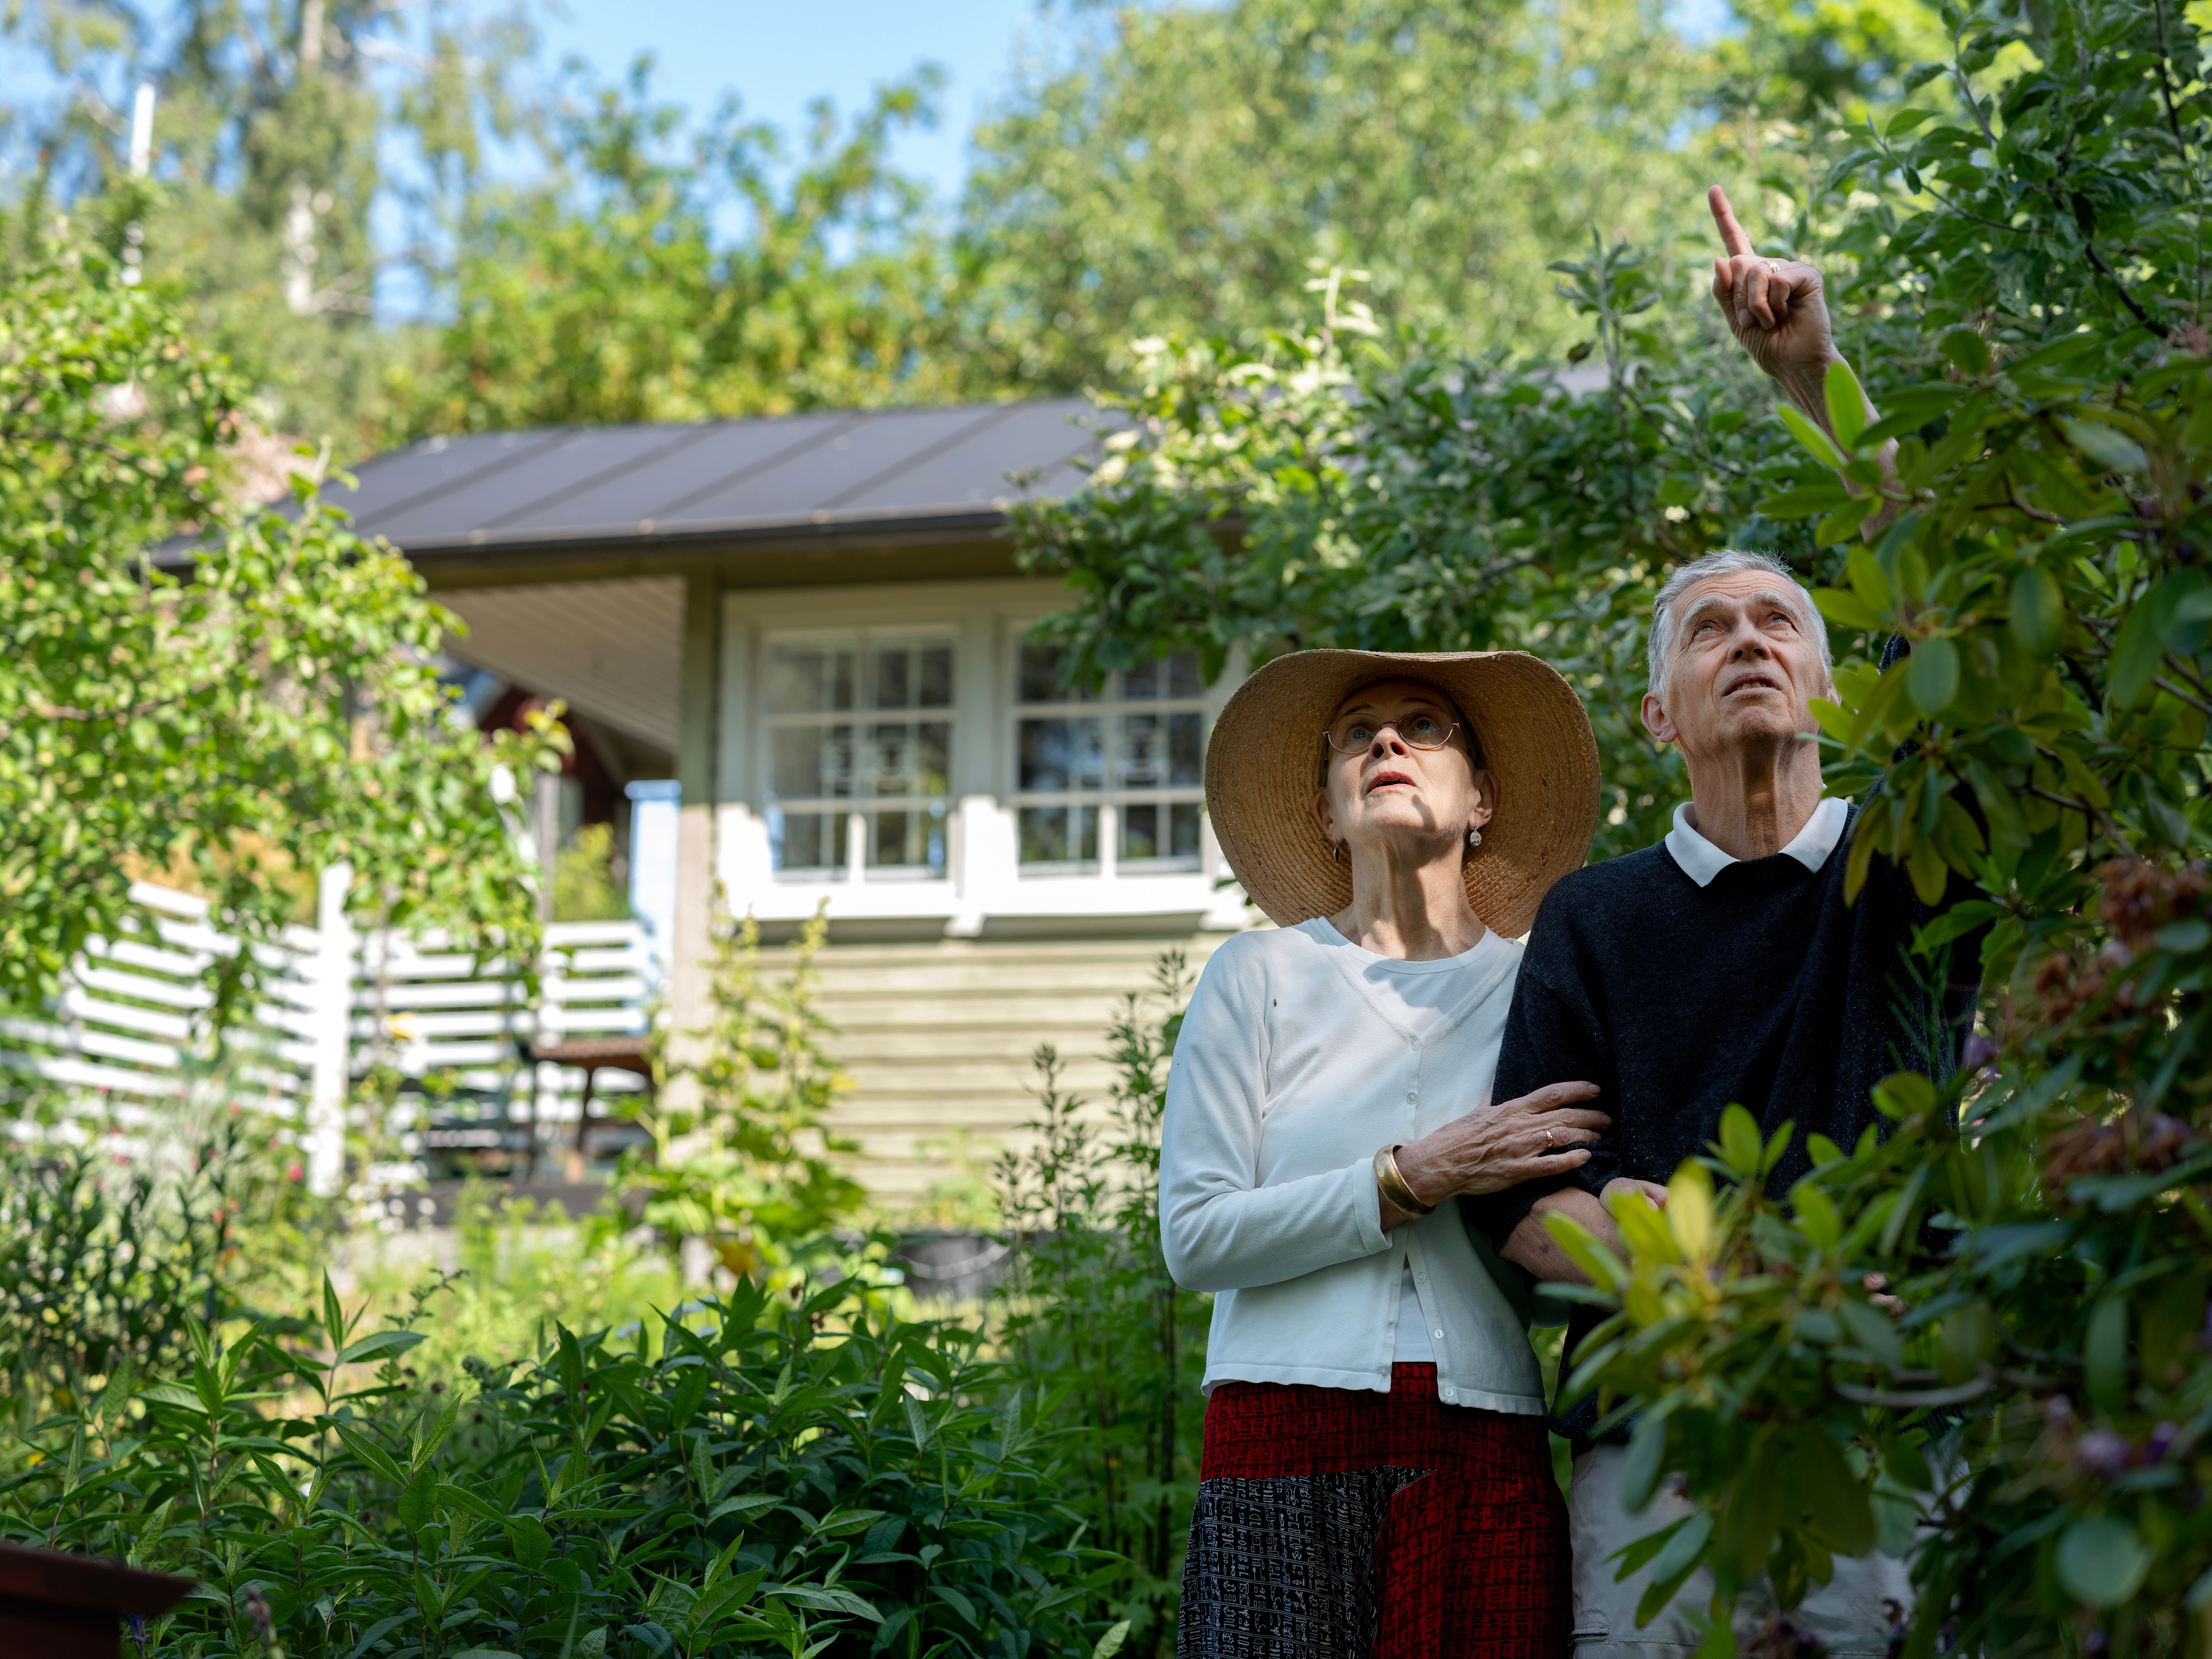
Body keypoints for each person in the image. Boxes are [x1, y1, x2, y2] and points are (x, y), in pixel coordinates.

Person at [1471, 188, 1979, 1657]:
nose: (1750, 641)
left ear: (1832, 687)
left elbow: (1944, 603)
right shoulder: (1596, 919)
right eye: (1711, 630)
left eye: (1782, 627)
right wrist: (1726, 1277)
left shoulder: (1917, 861)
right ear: (1657, 714)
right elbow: (1534, 1208)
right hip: (1659, 1458)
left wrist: (1811, 381)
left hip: (1899, 1426)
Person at [1161, 647, 1607, 1659]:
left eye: (1424, 726)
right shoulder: (1257, 976)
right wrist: (1412, 1175)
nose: (1387, 744)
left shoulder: (1547, 988)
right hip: (1278, 1441)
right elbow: (1194, 1239)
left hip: (1488, 1440)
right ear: (1326, 811)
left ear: (1483, 797)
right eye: (1356, 735)